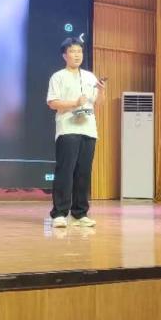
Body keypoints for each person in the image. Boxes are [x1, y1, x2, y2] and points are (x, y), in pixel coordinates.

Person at [47, 37, 103, 228]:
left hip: (89, 129)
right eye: (72, 51)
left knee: (83, 173)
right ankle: (59, 213)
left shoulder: (90, 76)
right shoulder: (58, 77)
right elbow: (52, 103)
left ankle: (79, 214)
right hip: (67, 129)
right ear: (65, 55)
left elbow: (97, 103)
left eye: (79, 51)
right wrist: (74, 103)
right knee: (65, 171)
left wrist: (102, 92)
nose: (77, 55)